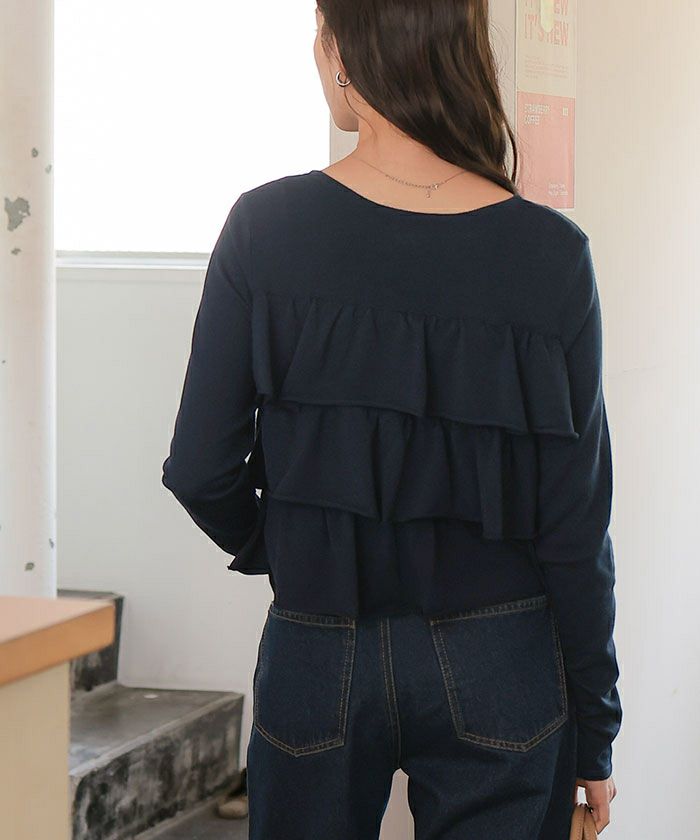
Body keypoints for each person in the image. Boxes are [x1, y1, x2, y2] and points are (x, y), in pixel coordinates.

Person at [161, 2, 622, 837]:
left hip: (318, 642)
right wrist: (596, 729)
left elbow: (200, 469)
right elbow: (576, 528)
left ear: (341, 51)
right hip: (505, 655)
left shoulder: (264, 229)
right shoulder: (552, 254)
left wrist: (292, 548)